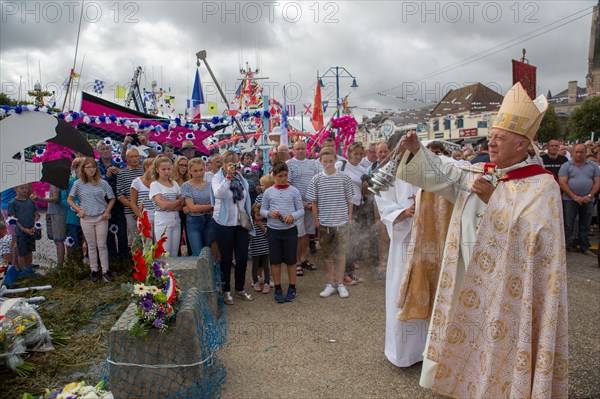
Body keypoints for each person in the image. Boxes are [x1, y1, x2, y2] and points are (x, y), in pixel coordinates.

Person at [400, 82, 568, 398]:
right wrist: (415, 152)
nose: (490, 142)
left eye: (499, 138)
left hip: (511, 290)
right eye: (491, 136)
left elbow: (541, 243)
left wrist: (497, 202)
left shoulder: (542, 186)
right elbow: (442, 176)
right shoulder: (480, 173)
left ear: (522, 145)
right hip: (468, 280)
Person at [374, 136, 427, 368]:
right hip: (404, 243)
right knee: (401, 292)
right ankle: (403, 354)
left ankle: (427, 351)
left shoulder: (427, 166)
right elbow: (383, 203)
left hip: (429, 241)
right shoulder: (388, 172)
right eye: (405, 146)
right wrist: (404, 213)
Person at [306, 149, 354, 298]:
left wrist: (349, 218)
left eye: (331, 161)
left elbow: (349, 200)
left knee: (341, 254)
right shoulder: (316, 179)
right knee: (327, 254)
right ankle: (331, 282)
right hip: (325, 223)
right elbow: (313, 202)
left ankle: (340, 283)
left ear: (335, 160)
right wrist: (316, 220)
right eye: (325, 161)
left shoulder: (345, 178)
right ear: (320, 162)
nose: (328, 164)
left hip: (342, 222)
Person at [211, 150, 255, 305]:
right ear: (223, 164)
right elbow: (218, 194)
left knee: (242, 258)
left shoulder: (241, 178)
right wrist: (228, 177)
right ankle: (226, 290)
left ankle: (240, 288)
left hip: (240, 223)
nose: (233, 166)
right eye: (230, 163)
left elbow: (246, 199)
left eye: (235, 163)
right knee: (226, 259)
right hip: (224, 223)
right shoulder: (217, 178)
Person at [260, 162, 304, 303]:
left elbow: (301, 210)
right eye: (280, 176)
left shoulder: (294, 191)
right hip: (273, 230)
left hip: (290, 230)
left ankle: (292, 288)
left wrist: (293, 216)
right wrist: (269, 213)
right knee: (275, 261)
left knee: (291, 261)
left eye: (285, 175)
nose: (283, 178)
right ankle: (278, 288)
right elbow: (262, 210)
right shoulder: (268, 192)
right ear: (273, 176)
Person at [68, 158, 116, 282]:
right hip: (86, 218)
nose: (91, 169)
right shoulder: (78, 184)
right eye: (88, 167)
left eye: (93, 167)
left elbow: (112, 198)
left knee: (102, 244)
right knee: (91, 245)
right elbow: (70, 199)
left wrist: (107, 211)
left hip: (101, 217)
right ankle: (94, 270)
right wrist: (79, 210)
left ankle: (105, 270)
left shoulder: (103, 183)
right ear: (83, 169)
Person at [559, 143, 600, 255]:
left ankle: (584, 246)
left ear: (585, 153)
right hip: (569, 200)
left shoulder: (593, 166)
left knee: (585, 224)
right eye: (576, 152)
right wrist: (574, 196)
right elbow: (562, 183)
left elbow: (597, 182)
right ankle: (566, 247)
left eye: (581, 152)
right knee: (568, 224)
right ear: (572, 152)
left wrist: (589, 196)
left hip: (588, 200)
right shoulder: (566, 166)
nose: (578, 154)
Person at [287, 139, 321, 275]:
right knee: (299, 234)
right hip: (297, 205)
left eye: (303, 148)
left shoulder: (313, 164)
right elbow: (288, 185)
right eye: (298, 149)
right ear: (293, 151)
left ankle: (304, 258)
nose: (301, 151)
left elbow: (318, 181)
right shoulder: (289, 164)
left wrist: (312, 202)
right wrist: (301, 202)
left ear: (307, 149)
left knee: (307, 233)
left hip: (311, 203)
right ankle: (296, 261)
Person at [337, 142, 367, 285]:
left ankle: (350, 272)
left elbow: (364, 191)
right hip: (344, 207)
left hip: (358, 206)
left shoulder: (363, 169)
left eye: (361, 154)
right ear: (349, 154)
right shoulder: (341, 166)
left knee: (353, 240)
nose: (358, 156)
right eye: (355, 153)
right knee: (344, 241)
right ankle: (342, 274)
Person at [97, 141, 129, 263]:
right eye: (102, 149)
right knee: (107, 235)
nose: (105, 151)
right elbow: (94, 182)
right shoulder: (96, 165)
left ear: (111, 150)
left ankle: (124, 261)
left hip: (119, 204)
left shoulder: (118, 163)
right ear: (98, 151)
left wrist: (119, 173)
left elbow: (126, 177)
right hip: (103, 205)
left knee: (122, 234)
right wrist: (106, 176)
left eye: (107, 148)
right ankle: (112, 261)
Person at [149, 157, 182, 257]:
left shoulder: (174, 183)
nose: (166, 171)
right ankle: (164, 273)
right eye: (163, 169)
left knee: (174, 253)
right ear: (157, 170)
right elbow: (162, 206)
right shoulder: (155, 185)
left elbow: (182, 203)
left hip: (176, 220)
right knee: (164, 253)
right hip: (162, 220)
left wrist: (169, 204)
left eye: (169, 169)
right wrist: (177, 201)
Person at [181, 158, 213, 256]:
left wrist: (198, 206)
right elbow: (192, 208)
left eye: (201, 170)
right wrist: (211, 206)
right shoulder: (186, 186)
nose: (199, 173)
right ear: (190, 171)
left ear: (204, 169)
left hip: (209, 220)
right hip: (194, 221)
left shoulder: (210, 184)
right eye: (195, 171)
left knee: (207, 252)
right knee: (197, 254)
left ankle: (208, 272)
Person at [31, 184, 67, 267]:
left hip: (57, 213)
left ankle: (60, 266)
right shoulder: (58, 182)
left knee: (58, 240)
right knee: (61, 240)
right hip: (57, 212)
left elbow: (55, 198)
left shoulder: (55, 183)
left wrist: (40, 199)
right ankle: (65, 263)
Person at [8, 184, 39, 274]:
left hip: (31, 229)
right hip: (21, 231)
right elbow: (13, 219)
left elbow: (36, 213)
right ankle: (23, 270)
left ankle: (29, 268)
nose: (24, 190)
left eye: (26, 188)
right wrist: (23, 229)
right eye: (22, 188)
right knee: (21, 251)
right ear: (15, 189)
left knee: (29, 250)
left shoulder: (30, 201)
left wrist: (35, 224)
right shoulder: (12, 203)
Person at [117, 148, 144, 246]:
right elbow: (120, 195)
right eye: (131, 157)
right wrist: (134, 208)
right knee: (135, 239)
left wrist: (140, 209)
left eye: (136, 156)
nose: (134, 159)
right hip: (130, 212)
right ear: (127, 159)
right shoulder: (122, 173)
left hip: (145, 210)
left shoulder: (145, 171)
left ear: (140, 157)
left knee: (147, 237)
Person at [130, 157, 156, 237]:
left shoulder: (157, 181)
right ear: (146, 167)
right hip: (144, 216)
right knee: (147, 246)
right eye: (154, 167)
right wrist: (140, 216)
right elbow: (133, 202)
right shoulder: (136, 182)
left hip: (158, 216)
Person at [249, 203, 270, 294]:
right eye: (257, 214)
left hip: (265, 249)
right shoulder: (251, 225)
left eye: (261, 214)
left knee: (266, 267)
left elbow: (268, 235)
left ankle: (267, 283)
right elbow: (249, 237)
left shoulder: (266, 224)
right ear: (253, 215)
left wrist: (262, 226)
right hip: (255, 249)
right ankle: (255, 281)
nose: (259, 216)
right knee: (255, 267)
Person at [173, 156, 191, 256]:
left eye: (186, 165)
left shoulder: (189, 179)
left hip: (188, 210)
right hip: (176, 211)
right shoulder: (171, 180)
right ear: (176, 166)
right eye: (181, 165)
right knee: (177, 238)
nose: (183, 168)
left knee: (190, 237)